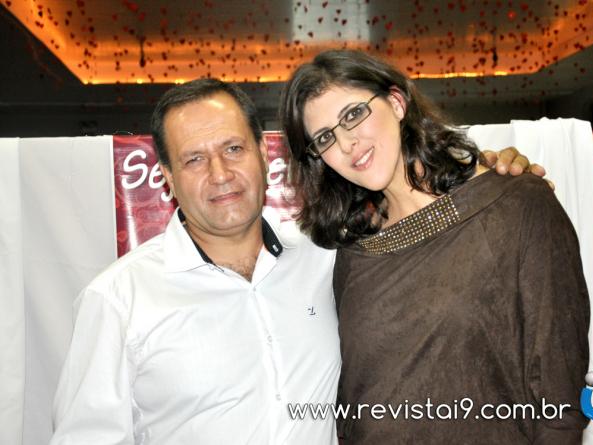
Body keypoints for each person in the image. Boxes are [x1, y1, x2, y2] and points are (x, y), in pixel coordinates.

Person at [50, 78, 544, 444]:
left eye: (233, 148)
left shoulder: (329, 254)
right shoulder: (118, 299)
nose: (220, 174)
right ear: (167, 176)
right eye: (194, 159)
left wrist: (490, 179)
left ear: (263, 156)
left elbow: (428, 235)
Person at [280, 50, 590, 443]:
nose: (346, 143)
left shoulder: (516, 206)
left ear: (396, 102)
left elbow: (560, 403)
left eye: (354, 114)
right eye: (324, 137)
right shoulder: (352, 252)